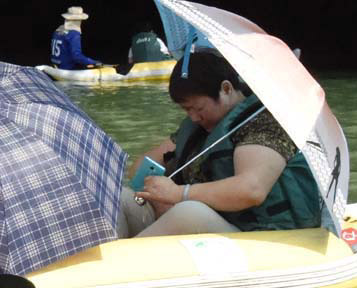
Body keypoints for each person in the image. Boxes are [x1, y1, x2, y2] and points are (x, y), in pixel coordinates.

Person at [118, 50, 322, 238]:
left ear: (226, 89)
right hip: (209, 222)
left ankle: (119, 264)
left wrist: (178, 194)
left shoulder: (264, 122)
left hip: (264, 235)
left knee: (189, 213)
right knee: (124, 199)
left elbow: (251, 189)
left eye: (198, 108)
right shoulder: (197, 127)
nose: (194, 117)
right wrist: (157, 194)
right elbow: (140, 168)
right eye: (186, 110)